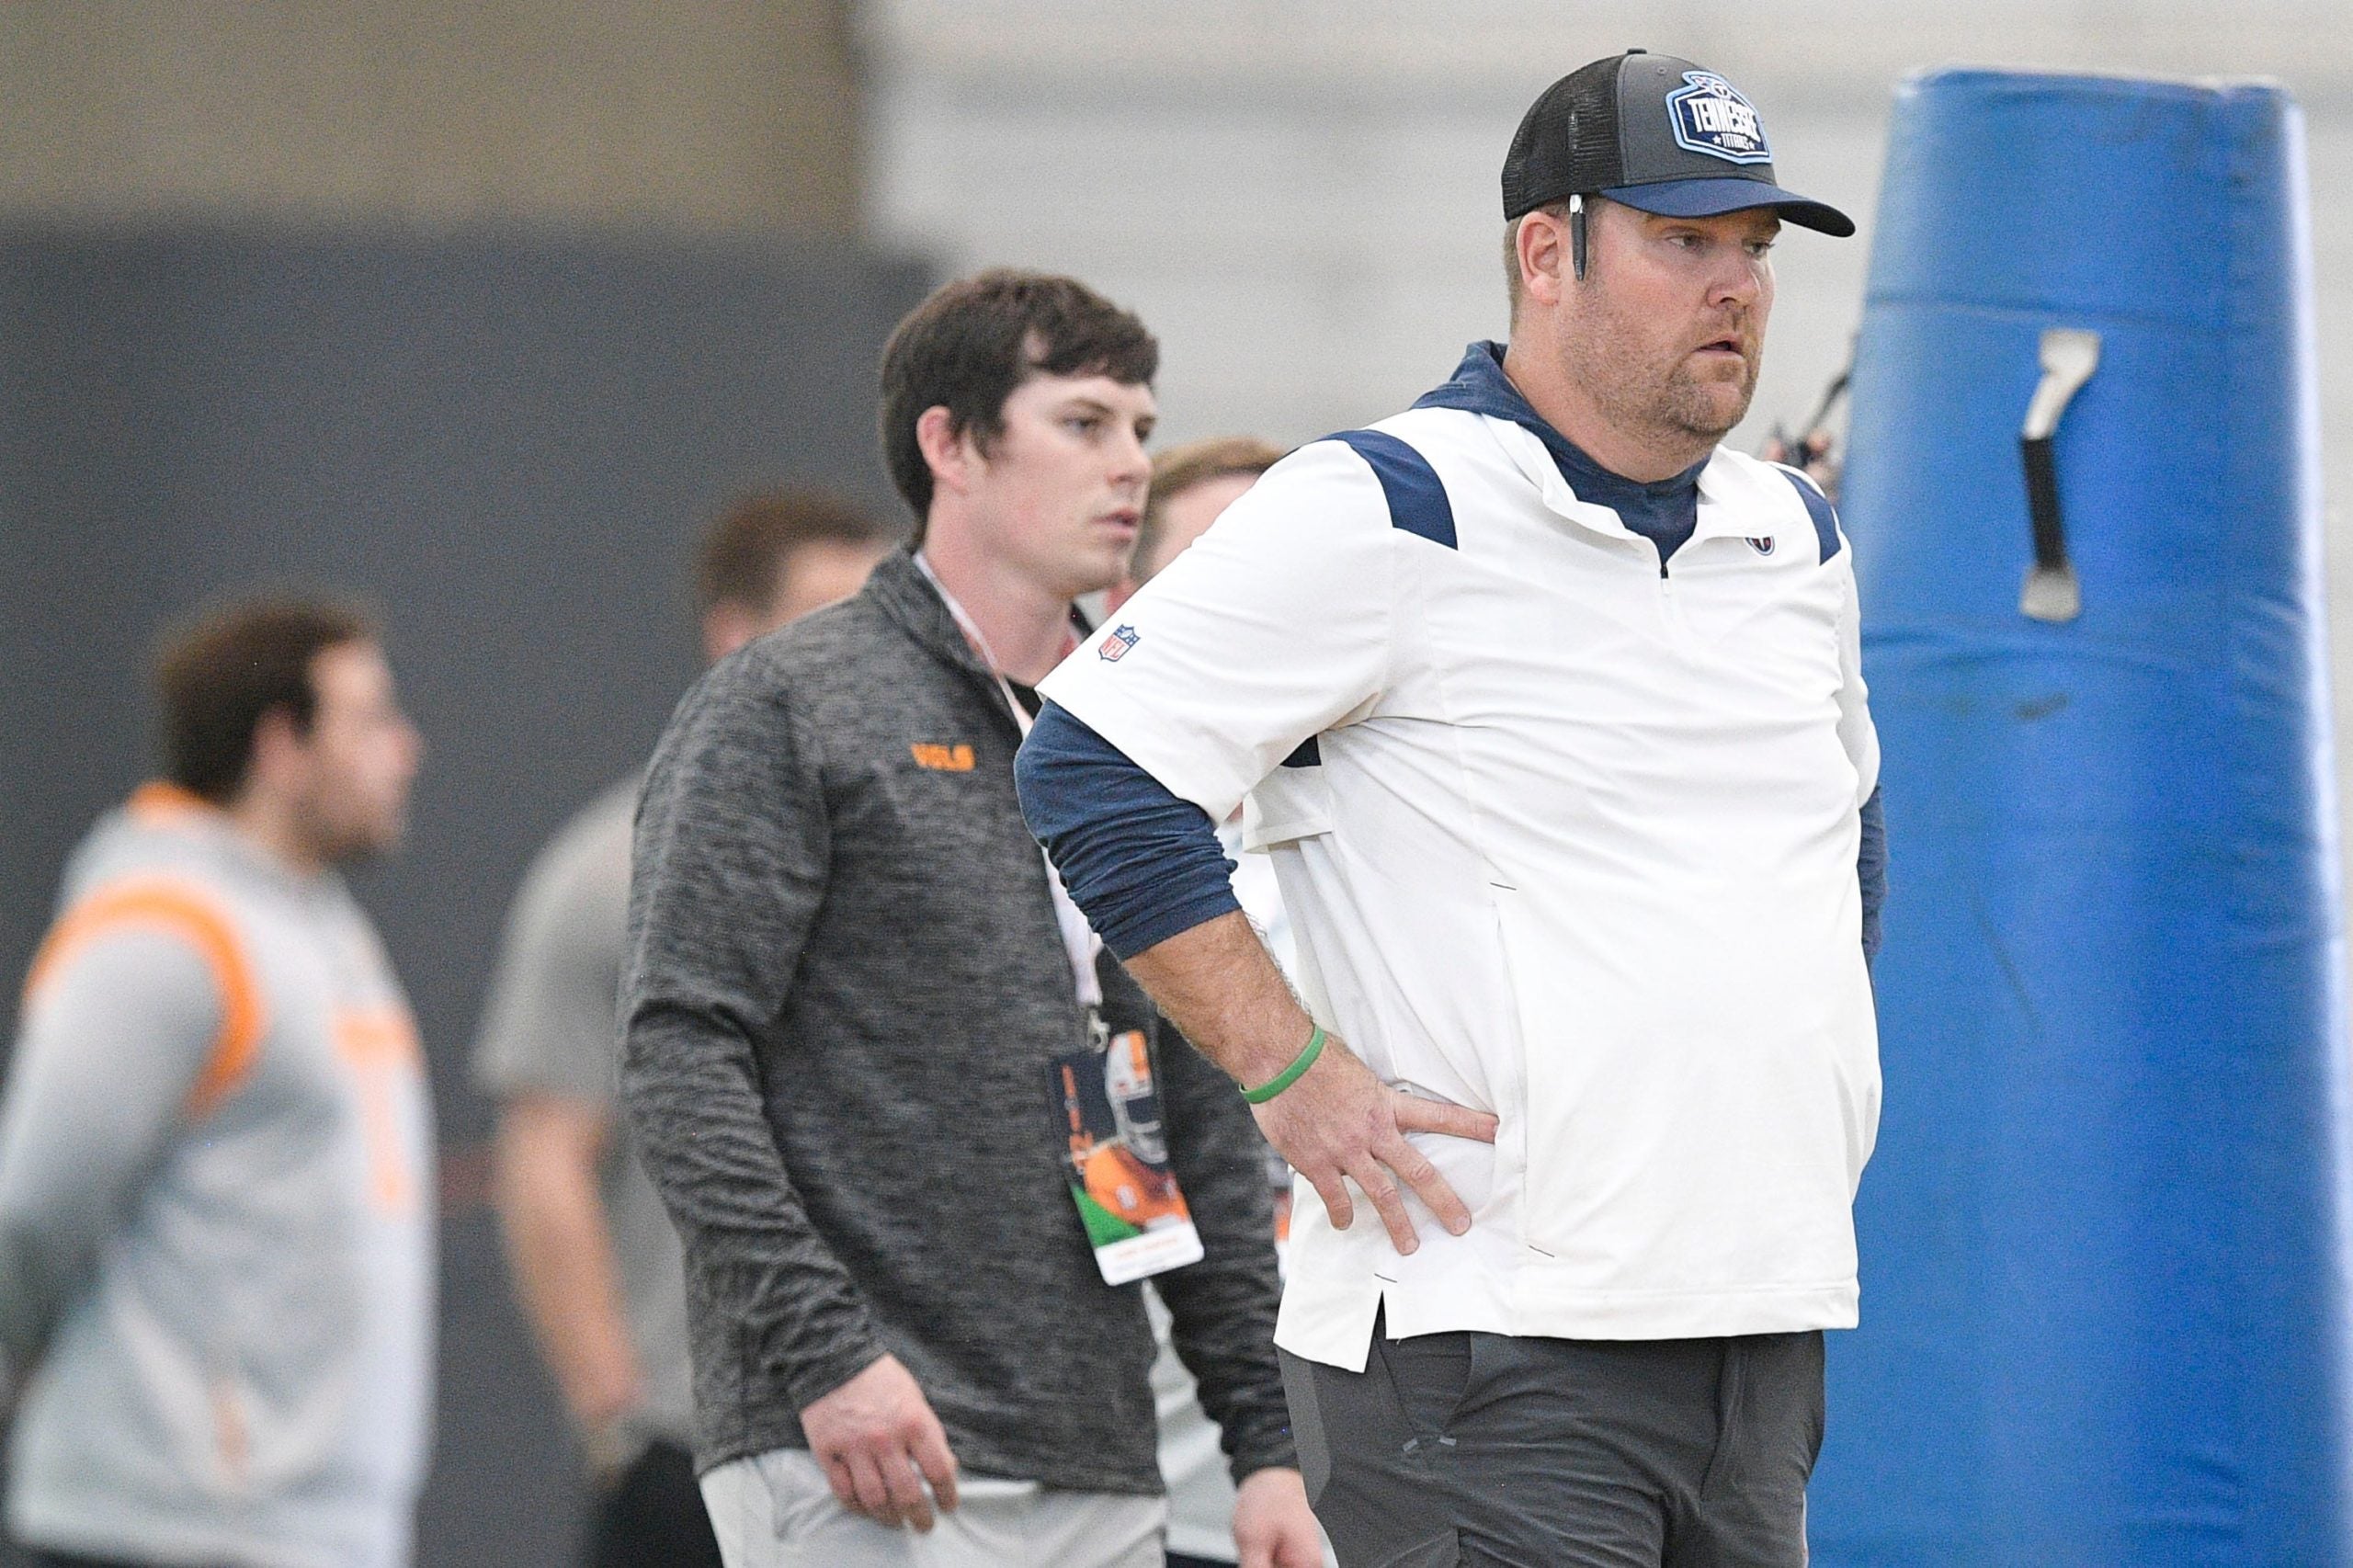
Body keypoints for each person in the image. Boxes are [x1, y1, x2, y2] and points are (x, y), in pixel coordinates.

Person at [1018, 50, 1885, 1568]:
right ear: (1546, 253)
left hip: (1760, 1325)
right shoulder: (1388, 502)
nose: (1735, 286)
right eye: (1684, 242)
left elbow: (1846, 836)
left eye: (1754, 249)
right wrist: (1288, 1067)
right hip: (1488, 1342)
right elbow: (1091, 764)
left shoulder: (1793, 533)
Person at [619, 270, 1323, 1568]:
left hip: (1096, 1440)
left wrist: (1263, 1448)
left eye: (1142, 428)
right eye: (1085, 422)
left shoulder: (1134, 743)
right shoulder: (791, 705)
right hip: (860, 1437)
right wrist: (828, 1359)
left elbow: (1196, 1100)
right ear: (949, 443)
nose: (1131, 465)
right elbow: (679, 1054)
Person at [473, 490, 891, 1568]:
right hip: (694, 1443)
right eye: (825, 612)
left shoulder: (930, 853)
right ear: (735, 634)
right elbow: (545, 1156)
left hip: (909, 1441)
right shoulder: (609, 869)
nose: (863, 650)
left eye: (878, 614)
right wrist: (616, 1409)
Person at [0, 599, 432, 1568]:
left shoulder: (319, 921)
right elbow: (29, 1213)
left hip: (309, 1530)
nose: (405, 749)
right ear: (280, 744)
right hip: (161, 1526)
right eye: (369, 720)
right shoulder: (161, 929)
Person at [1112, 437, 1300, 1568]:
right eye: (1216, 562)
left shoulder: (1426, 844)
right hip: (1173, 1498)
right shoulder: (1077, 869)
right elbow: (1112, 1189)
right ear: (1128, 603)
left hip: (1427, 1493)